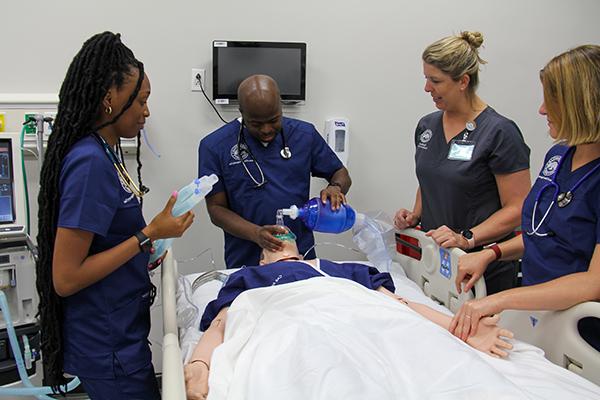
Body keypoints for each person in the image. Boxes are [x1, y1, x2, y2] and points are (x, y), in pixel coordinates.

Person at [36, 32, 194, 398]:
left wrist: (146, 248)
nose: (146, 111)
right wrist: (147, 234)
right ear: (110, 99)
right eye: (140, 100)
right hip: (107, 345)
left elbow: (104, 240)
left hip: (122, 334)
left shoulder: (107, 153)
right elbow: (66, 277)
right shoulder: (90, 163)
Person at [183, 236, 514, 399]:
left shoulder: (342, 269)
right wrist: (201, 366)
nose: (281, 243)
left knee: (411, 353)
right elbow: (223, 323)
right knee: (311, 359)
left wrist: (461, 330)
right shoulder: (250, 278)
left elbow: (399, 306)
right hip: (289, 320)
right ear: (263, 261)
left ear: (301, 252)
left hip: (355, 313)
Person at [450, 45, 600, 349]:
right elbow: (542, 233)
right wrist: (490, 253)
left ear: (580, 104)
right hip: (539, 315)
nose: (542, 110)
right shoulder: (560, 156)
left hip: (581, 335)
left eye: (551, 100)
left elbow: (592, 282)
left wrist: (497, 301)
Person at [394, 31, 531, 295]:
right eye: (426, 78)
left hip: (483, 267)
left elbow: (518, 208)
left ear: (463, 81)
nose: (426, 88)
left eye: (435, 80)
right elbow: (432, 177)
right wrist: (415, 214)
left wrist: (468, 237)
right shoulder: (427, 126)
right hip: (437, 263)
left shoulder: (499, 132)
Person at [198, 74, 351, 268]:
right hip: (245, 259)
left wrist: (336, 188)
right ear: (241, 112)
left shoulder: (304, 135)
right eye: (256, 123)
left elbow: (340, 172)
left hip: (299, 254)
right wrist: (256, 233)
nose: (266, 129)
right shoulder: (214, 146)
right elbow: (216, 210)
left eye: (273, 120)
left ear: (281, 107)